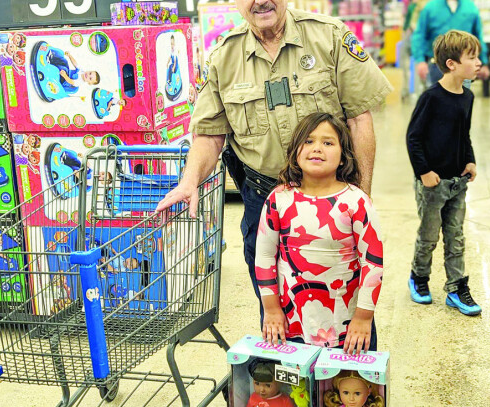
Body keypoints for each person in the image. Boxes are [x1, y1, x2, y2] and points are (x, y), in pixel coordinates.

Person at [156, 0, 392, 325]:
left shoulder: (329, 36)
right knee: (277, 313)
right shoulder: (224, 56)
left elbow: (358, 119)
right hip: (264, 203)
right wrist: (188, 181)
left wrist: (361, 196)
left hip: (331, 202)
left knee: (345, 309)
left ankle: (347, 374)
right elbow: (210, 136)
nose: (261, 1)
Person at [256, 112, 383, 353]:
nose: (317, 148)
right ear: (295, 151)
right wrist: (271, 308)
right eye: (308, 141)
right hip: (291, 321)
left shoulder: (356, 202)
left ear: (344, 157)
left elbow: (373, 263)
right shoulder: (278, 199)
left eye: (328, 143)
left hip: (346, 325)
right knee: (298, 387)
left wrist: (364, 317)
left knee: (343, 387)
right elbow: (264, 257)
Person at [406, 30, 482, 316]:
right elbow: (413, 137)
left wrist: (471, 161)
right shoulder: (431, 98)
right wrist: (424, 172)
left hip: (457, 182)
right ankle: (419, 277)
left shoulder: (468, 97)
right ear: (451, 63)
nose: (478, 63)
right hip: (432, 184)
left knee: (456, 237)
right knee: (428, 237)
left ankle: (456, 287)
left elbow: (465, 135)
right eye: (472, 58)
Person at [411, 0, 490, 86]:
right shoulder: (430, 7)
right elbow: (419, 35)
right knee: (438, 96)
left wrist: (484, 63)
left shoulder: (471, 7)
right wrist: (420, 61)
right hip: (437, 65)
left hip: (464, 65)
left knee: (463, 96)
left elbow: (478, 37)